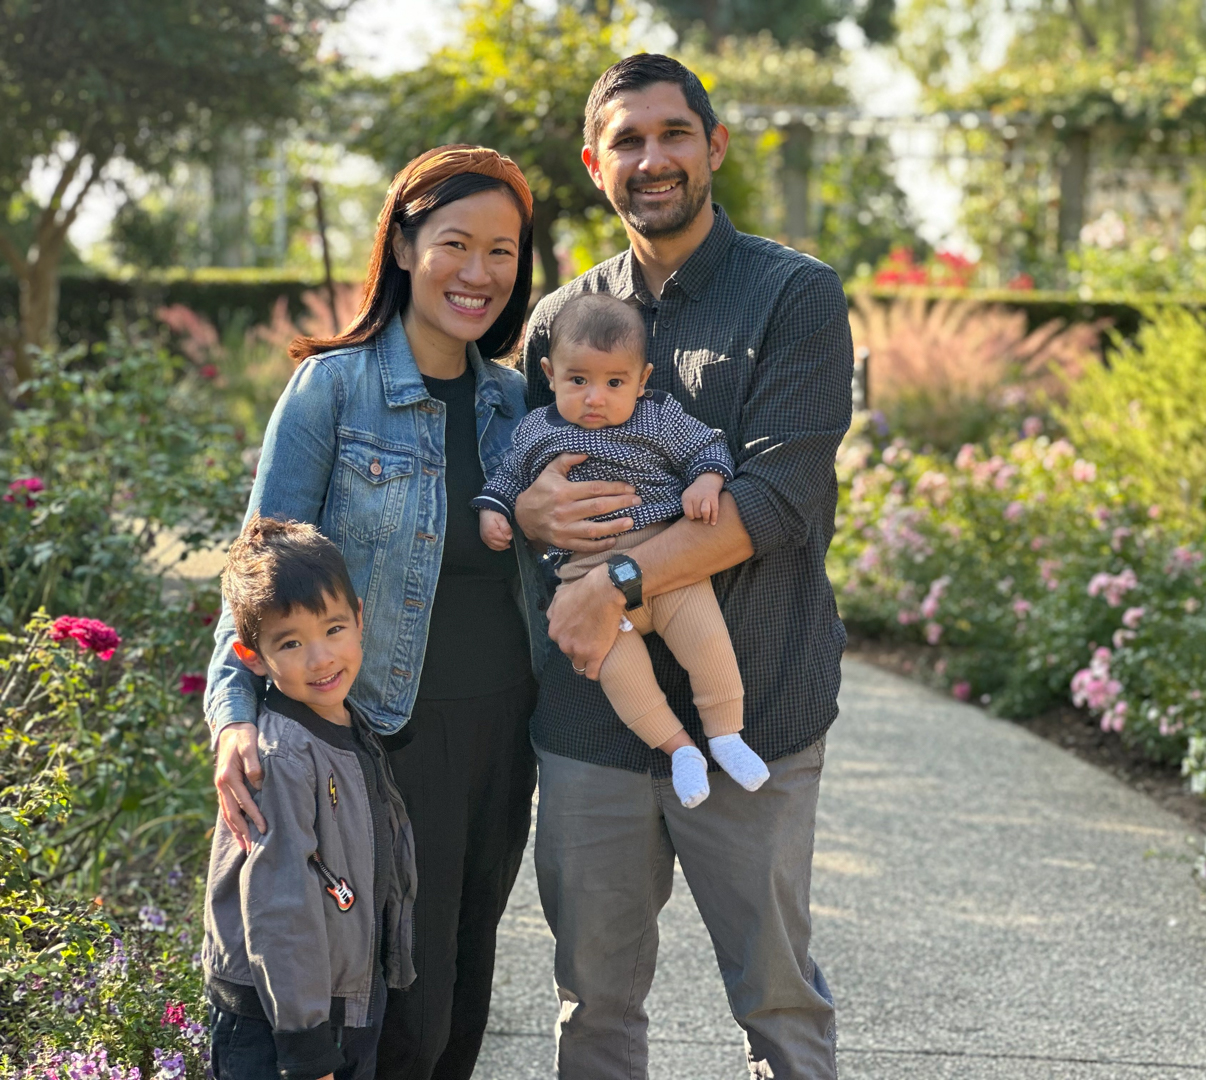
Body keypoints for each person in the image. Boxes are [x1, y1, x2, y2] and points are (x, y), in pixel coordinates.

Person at [515, 54, 853, 1079]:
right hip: (591, 731)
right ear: (594, 163)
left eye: (673, 134)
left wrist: (620, 581)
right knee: (595, 1006)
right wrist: (527, 507)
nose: (651, 159)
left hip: (756, 709)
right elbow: (526, 481)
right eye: (628, 140)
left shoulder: (793, 297)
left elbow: (776, 501)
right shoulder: (554, 324)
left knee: (779, 1004)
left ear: (714, 145)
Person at [203, 145, 551, 1080]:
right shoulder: (335, 389)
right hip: (382, 738)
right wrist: (233, 716)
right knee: (401, 1006)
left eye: (503, 253)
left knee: (467, 974)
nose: (478, 273)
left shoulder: (518, 405)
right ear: (402, 245)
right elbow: (257, 564)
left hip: (504, 732)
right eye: (455, 244)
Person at [477, 292, 771, 808]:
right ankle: (680, 748)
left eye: (615, 383)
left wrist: (706, 481)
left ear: (642, 379)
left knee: (708, 642)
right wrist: (499, 512)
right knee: (617, 670)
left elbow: (706, 447)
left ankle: (726, 734)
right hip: (584, 576)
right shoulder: (537, 430)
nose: (596, 397)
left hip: (667, 562)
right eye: (578, 380)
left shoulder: (656, 417)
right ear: (549, 373)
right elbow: (507, 480)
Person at [203, 515, 417, 1080]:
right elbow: (281, 907)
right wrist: (305, 1046)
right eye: (291, 642)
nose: (321, 658)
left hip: (339, 1005)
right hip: (279, 1025)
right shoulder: (281, 756)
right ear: (251, 656)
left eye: (333, 629)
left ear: (360, 620)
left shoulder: (350, 727)